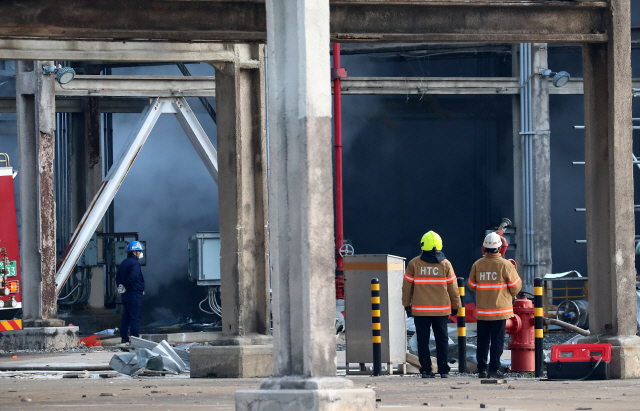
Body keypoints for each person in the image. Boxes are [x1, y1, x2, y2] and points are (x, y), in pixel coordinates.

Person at [402, 231, 461, 378]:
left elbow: (407, 286)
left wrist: (406, 303)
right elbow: (453, 288)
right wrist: (456, 305)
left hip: (420, 311)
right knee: (442, 340)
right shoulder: (445, 264)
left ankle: (426, 370)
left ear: (423, 246)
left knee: (422, 341)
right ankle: (443, 370)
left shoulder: (414, 264)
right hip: (441, 311)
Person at [467, 232, 522, 378]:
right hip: (500, 311)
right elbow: (516, 287)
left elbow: (471, 285)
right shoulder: (506, 265)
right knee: (497, 342)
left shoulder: (477, 265)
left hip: (483, 311)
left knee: (482, 341)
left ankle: (482, 370)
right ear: (499, 247)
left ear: (484, 247)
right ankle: (494, 369)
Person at [116, 241, 145, 345]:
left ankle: (124, 338)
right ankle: (134, 339)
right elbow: (133, 277)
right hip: (134, 294)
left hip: (126, 295)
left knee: (126, 317)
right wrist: (128, 287)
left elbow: (118, 277)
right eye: (139, 251)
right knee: (135, 317)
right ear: (134, 252)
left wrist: (121, 287)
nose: (140, 253)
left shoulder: (124, 263)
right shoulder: (135, 263)